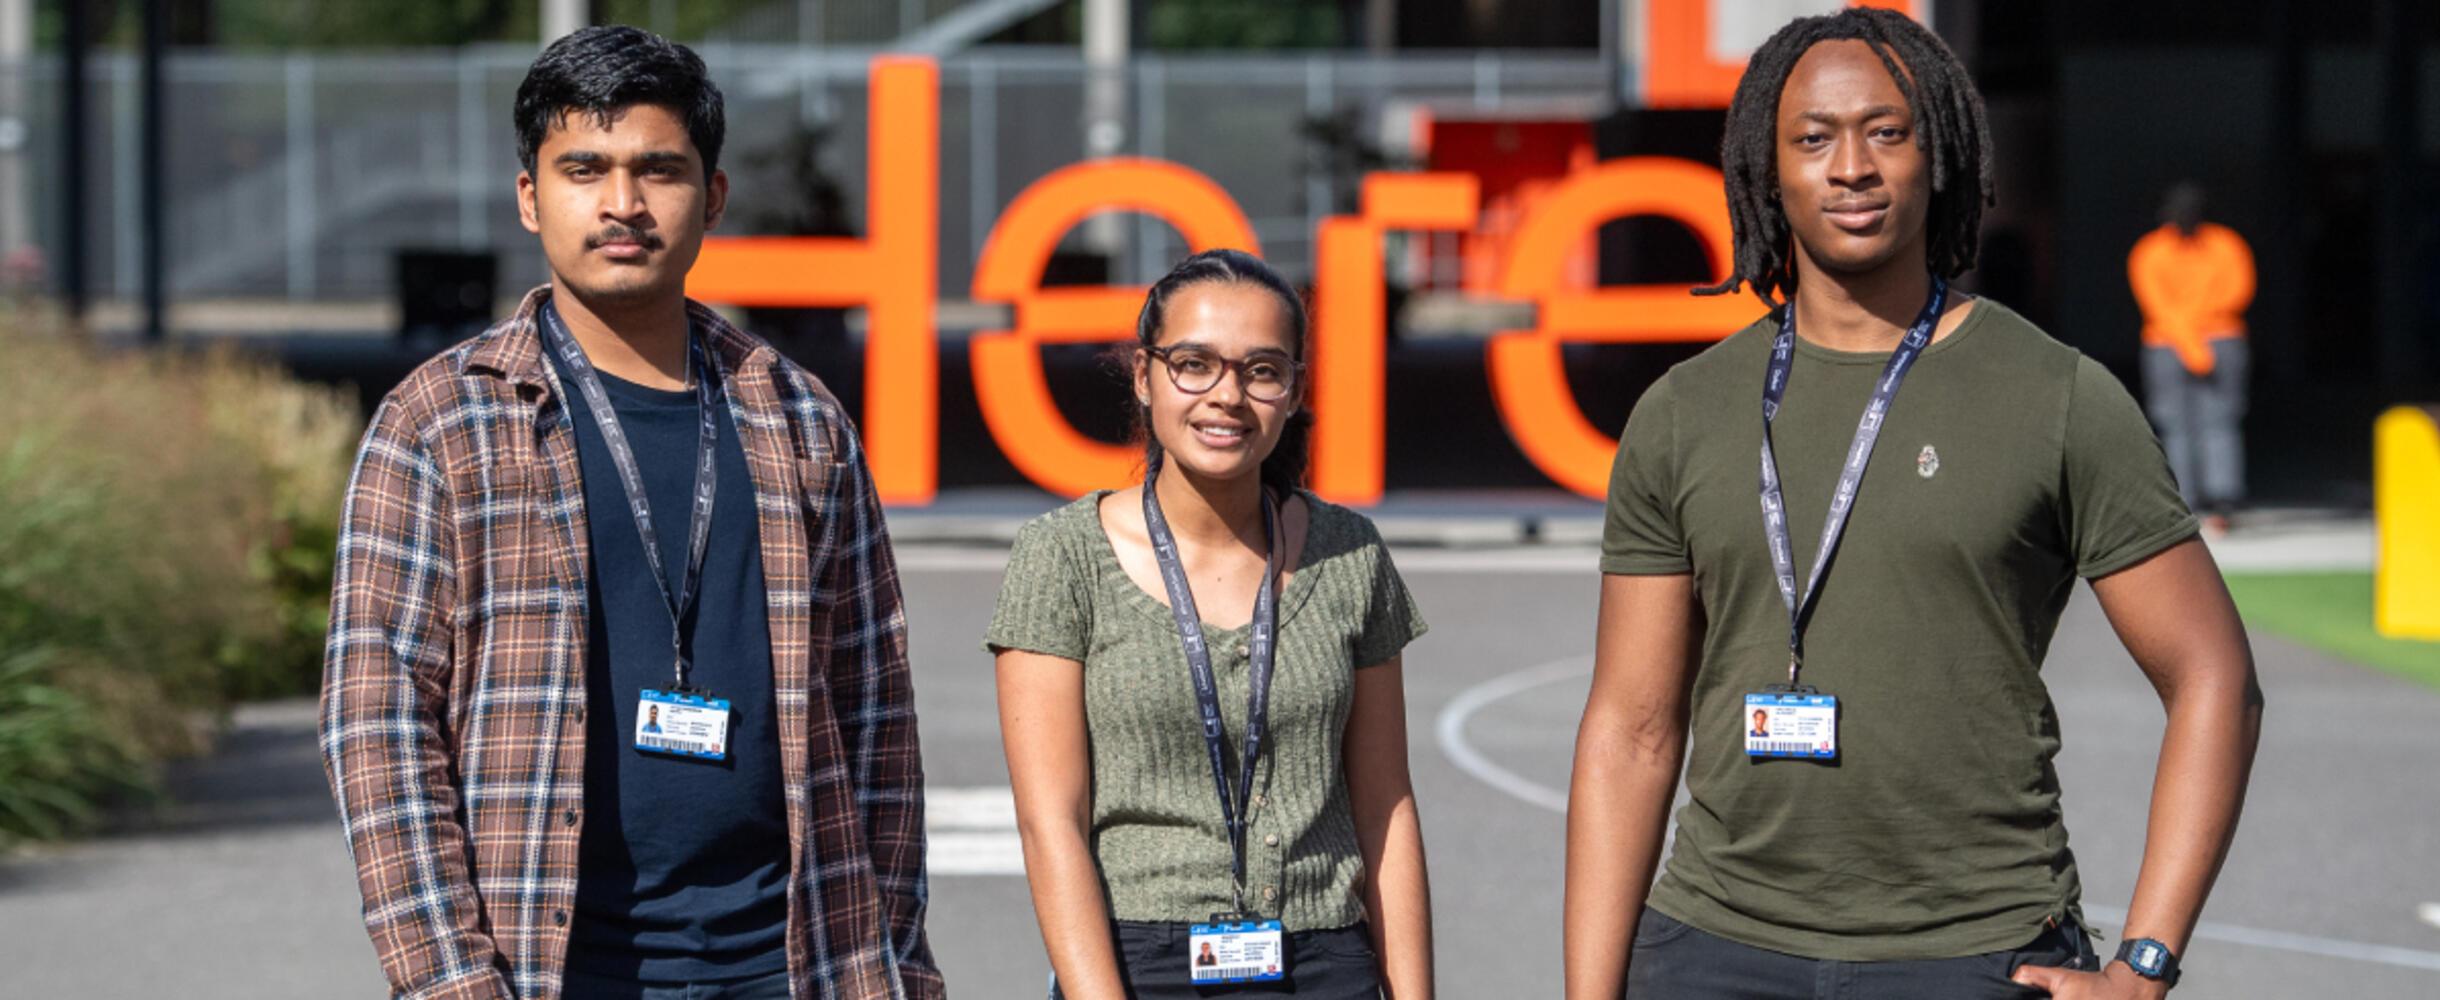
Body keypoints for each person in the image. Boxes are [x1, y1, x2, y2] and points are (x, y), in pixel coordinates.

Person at [1563, 9, 2263, 1000]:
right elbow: (1631, 729)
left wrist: (2142, 965)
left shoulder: (2057, 396)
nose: (1850, 165)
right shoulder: (1682, 413)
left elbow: (2213, 678)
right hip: (1713, 948)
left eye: (1886, 131)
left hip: (1974, 953)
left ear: (1940, 157)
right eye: (1812, 137)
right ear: (1767, 170)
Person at [320, 26, 939, 1000]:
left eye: (659, 169)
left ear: (713, 196)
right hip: (549, 966)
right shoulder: (440, 425)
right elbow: (379, 726)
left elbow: (876, 717)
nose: (622, 203)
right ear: (530, 196)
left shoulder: (798, 418)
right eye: (584, 169)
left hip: (787, 961)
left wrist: (893, 964)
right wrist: (447, 980)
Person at [988, 249, 1434, 1000]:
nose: (1227, 394)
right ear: (1144, 375)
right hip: (1138, 963)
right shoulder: (1060, 556)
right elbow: (1049, 825)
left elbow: (1385, 806)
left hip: (1327, 960)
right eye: (1194, 364)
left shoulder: (1348, 554)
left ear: (1293, 391)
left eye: (1262, 371)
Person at [2130, 182, 2255, 532]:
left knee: (2221, 420)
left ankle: (2223, 499)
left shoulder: (2226, 245)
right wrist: (2191, 343)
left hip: (2218, 341)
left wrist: (2193, 333)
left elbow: (2237, 292)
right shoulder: (2151, 251)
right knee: (2174, 423)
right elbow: (2155, 304)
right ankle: (2183, 500)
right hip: (2170, 344)